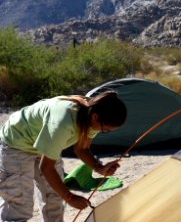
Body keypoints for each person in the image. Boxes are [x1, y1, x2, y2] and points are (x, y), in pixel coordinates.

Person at [0, 91, 127, 222]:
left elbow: (81, 148)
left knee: (54, 198)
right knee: (18, 205)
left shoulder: (94, 115)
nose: (102, 132)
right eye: (105, 130)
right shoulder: (63, 121)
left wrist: (99, 168)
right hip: (16, 143)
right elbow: (46, 167)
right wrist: (70, 197)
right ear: (95, 117)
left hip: (44, 142)